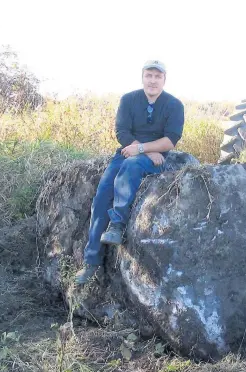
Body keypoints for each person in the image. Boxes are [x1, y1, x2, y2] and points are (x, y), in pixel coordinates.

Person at [75, 60, 184, 285]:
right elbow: (121, 131)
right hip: (126, 152)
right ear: (142, 77)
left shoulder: (174, 105)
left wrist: (145, 150)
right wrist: (136, 148)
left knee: (133, 166)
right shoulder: (128, 100)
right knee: (101, 197)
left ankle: (117, 224)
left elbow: (170, 140)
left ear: (164, 79)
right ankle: (91, 261)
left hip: (155, 157)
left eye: (157, 76)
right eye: (149, 75)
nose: (153, 80)